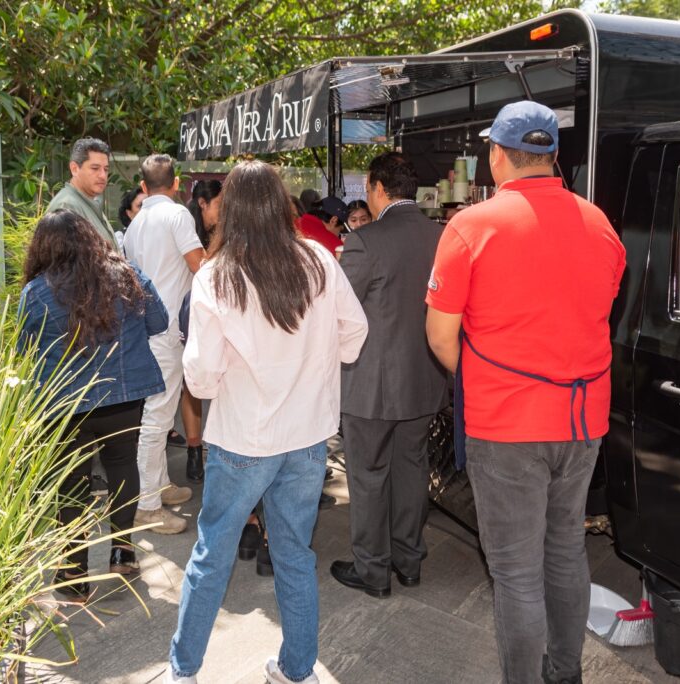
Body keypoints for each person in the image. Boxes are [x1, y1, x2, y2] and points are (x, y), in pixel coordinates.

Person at [425, 100, 625, 684]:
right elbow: (598, 310)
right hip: (583, 421)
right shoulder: (600, 224)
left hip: (506, 425)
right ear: (553, 155)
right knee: (565, 551)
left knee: (515, 572)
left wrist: (484, 381)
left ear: (497, 156)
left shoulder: (471, 226)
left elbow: (440, 335)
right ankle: (566, 673)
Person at [167, 160, 368, 684]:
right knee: (294, 554)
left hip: (242, 438)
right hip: (307, 437)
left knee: (212, 555)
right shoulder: (319, 259)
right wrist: (313, 365)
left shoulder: (217, 275)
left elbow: (201, 379)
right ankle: (298, 670)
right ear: (282, 204)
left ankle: (184, 671)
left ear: (229, 210)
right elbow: (354, 334)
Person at [18, 209, 169, 602]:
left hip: (65, 403)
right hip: (124, 395)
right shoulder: (127, 275)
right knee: (122, 464)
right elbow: (159, 322)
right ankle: (123, 553)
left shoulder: (35, 292)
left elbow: (24, 349)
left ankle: (74, 573)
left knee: (72, 481)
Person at [329, 152, 447, 599]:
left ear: (379, 189)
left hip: (371, 384)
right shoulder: (441, 235)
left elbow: (340, 310)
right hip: (424, 377)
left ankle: (372, 569)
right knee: (412, 469)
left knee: (368, 474)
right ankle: (409, 560)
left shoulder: (365, 240)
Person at [123, 153, 206, 535]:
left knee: (160, 411)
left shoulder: (136, 223)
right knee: (157, 418)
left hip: (146, 328)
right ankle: (147, 506)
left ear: (143, 186)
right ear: (176, 184)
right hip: (169, 328)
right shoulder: (177, 215)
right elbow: (198, 265)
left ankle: (158, 486)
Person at [46, 137, 118, 249]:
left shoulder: (88, 201)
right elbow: (63, 259)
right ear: (74, 169)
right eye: (95, 168)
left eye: (106, 169)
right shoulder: (66, 206)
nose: (103, 175)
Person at [187, 179, 223, 250]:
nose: (224, 209)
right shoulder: (188, 231)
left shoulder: (219, 232)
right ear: (202, 203)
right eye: (219, 204)